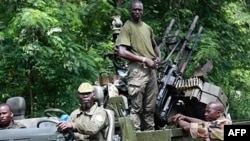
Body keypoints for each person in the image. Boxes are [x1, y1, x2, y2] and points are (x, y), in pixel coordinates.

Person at [115, 0, 161, 131]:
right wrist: (144, 59)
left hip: (151, 71)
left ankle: (150, 135)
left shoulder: (147, 28)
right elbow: (122, 51)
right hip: (137, 70)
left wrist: (158, 58)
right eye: (134, 9)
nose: (137, 12)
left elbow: (155, 46)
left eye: (139, 10)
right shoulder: (127, 27)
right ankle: (135, 135)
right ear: (130, 11)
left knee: (150, 108)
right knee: (136, 108)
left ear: (142, 11)